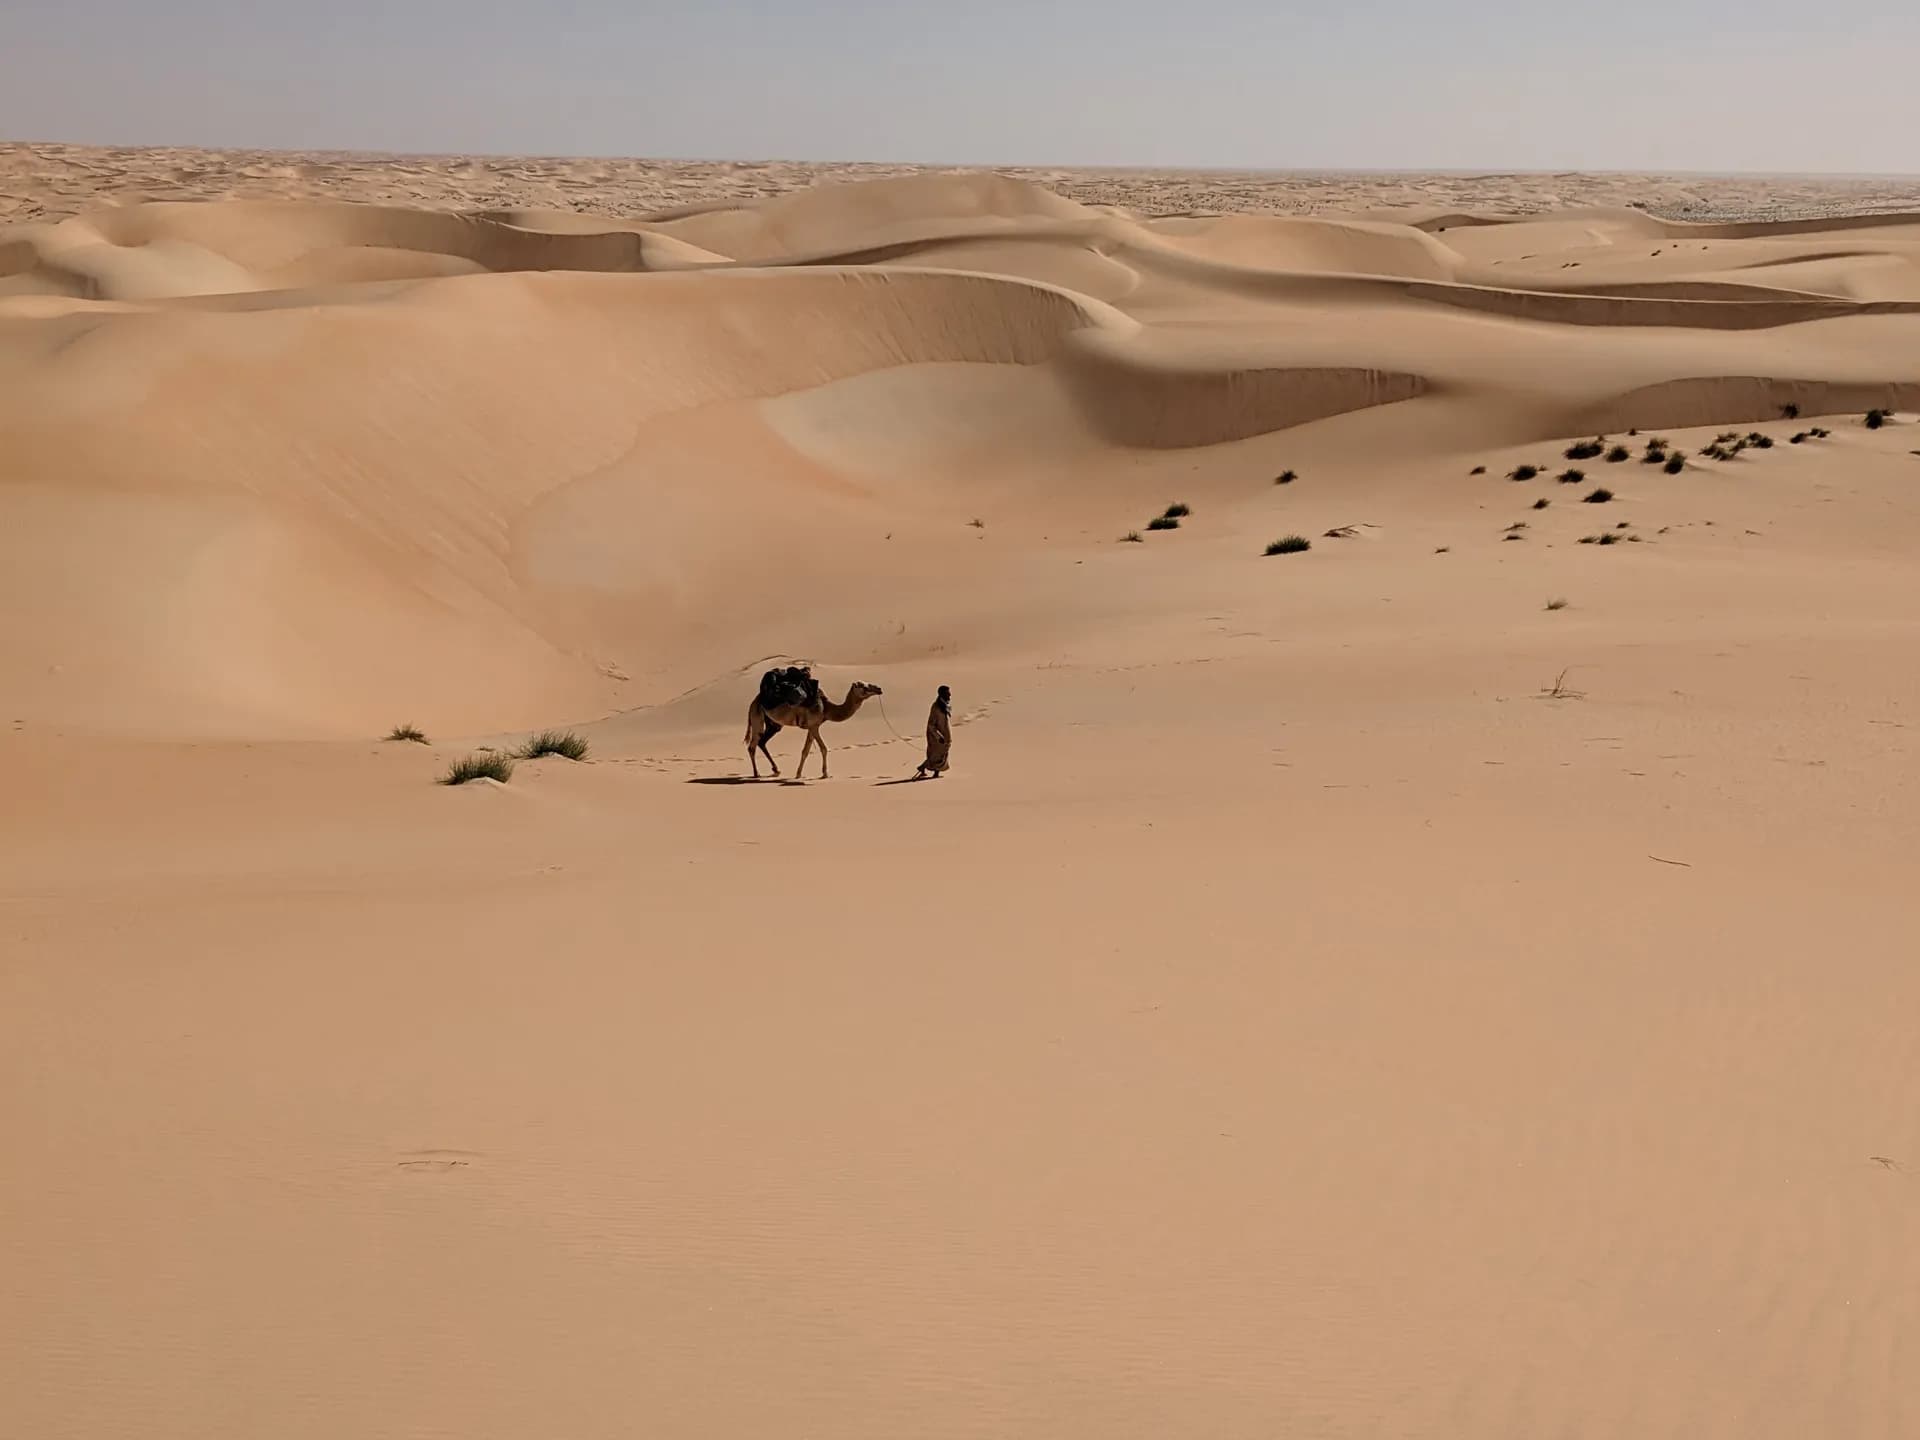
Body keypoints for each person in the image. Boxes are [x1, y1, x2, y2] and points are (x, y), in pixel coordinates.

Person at [915, 685, 952, 778]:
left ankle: (923, 767)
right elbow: (931, 725)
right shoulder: (936, 707)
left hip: (944, 735)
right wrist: (938, 736)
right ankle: (935, 772)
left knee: (941, 754)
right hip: (936, 736)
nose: (949, 695)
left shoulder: (944, 706)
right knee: (936, 756)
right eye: (947, 693)